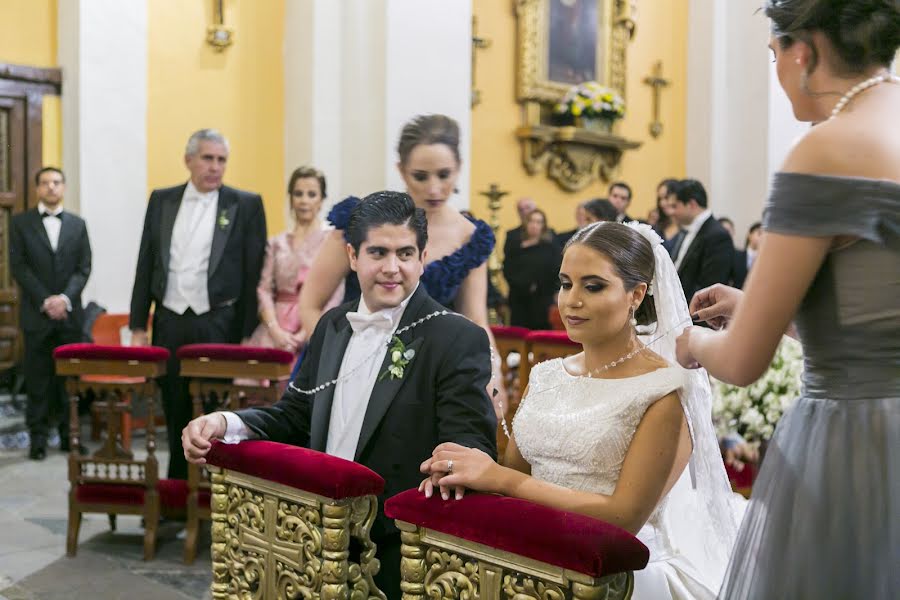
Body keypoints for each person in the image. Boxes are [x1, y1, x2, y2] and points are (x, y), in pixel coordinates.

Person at [676, 2, 900, 597]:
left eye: (774, 54)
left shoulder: (827, 149)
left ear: (805, 52)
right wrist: (759, 308)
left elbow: (742, 363)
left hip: (862, 443)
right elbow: (873, 319)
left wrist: (689, 338)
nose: (777, 71)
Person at [182, 191, 497, 599]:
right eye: (377, 252)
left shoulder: (456, 337)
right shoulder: (333, 325)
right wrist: (227, 422)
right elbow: (298, 413)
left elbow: (471, 445)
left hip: (398, 553)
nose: (391, 268)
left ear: (422, 258)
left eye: (405, 254)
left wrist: (453, 464)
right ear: (352, 256)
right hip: (317, 539)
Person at [422, 221, 743, 599]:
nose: (572, 300)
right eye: (565, 283)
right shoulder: (546, 375)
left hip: (612, 571)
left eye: (593, 286)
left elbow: (623, 517)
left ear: (636, 294)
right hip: (531, 559)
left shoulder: (664, 391)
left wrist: (498, 479)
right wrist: (464, 474)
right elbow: (512, 474)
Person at [296, 114, 506, 418]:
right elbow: (310, 303)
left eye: (444, 175)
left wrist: (493, 371)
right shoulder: (360, 221)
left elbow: (475, 320)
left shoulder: (468, 237)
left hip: (425, 378)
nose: (434, 188)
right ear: (402, 171)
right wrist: (338, 355)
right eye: (421, 176)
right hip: (345, 367)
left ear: (459, 169)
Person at [129, 128, 267, 480]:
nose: (215, 167)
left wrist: (248, 333)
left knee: (210, 410)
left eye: (222, 160)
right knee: (173, 403)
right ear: (188, 159)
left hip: (217, 320)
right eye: (208, 158)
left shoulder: (245, 204)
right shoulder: (162, 200)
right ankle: (178, 488)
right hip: (169, 319)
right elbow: (146, 262)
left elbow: (254, 273)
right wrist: (136, 324)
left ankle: (209, 494)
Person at [10, 167, 92, 460]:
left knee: (68, 381)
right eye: (45, 183)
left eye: (56, 182)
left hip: (70, 316)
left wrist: (64, 299)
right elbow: (18, 266)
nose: (51, 187)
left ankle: (70, 437)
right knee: (37, 380)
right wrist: (46, 300)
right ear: (37, 189)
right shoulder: (20, 223)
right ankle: (38, 440)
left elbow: (84, 268)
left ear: (64, 187)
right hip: (36, 315)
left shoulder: (78, 225)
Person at [243, 166, 342, 358]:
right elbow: (264, 289)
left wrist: (307, 332)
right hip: (274, 331)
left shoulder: (332, 240)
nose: (304, 200)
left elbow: (335, 294)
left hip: (316, 326)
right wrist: (275, 330)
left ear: (321, 200)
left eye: (311, 194)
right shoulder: (276, 243)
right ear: (290, 198)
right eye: (298, 194)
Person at [668, 179, 735, 304]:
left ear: (691, 204)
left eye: (675, 206)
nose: (671, 212)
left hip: (695, 315)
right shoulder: (685, 230)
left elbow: (710, 287)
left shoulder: (717, 235)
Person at [503, 209, 558, 329]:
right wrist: (524, 285)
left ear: (543, 226)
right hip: (518, 300)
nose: (534, 225)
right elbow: (507, 271)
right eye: (532, 221)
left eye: (539, 222)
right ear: (526, 224)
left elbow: (554, 272)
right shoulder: (515, 248)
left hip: (542, 301)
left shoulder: (550, 249)